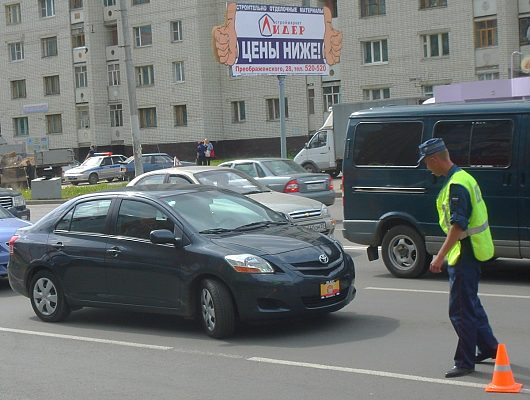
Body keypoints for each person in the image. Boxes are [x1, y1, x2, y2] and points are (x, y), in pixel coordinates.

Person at [418, 138, 498, 378]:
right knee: (471, 303)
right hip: (472, 250)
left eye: (426, 163)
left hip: (465, 252)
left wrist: (438, 257)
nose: (426, 167)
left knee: (461, 310)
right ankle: (488, 347)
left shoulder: (457, 185)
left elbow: (458, 226)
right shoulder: (464, 177)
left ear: (434, 159)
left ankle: (464, 362)